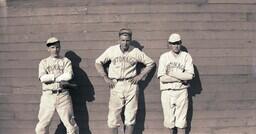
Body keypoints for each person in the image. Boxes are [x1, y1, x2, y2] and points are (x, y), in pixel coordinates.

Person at [95, 28, 155, 134]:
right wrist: (105, 76)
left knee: (130, 116)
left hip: (131, 84)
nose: (125, 43)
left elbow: (151, 63)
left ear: (130, 40)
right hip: (116, 84)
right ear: (119, 40)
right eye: (123, 40)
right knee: (113, 117)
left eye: (127, 40)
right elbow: (98, 62)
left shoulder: (135, 51)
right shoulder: (112, 50)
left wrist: (140, 76)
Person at [35, 37, 79, 134]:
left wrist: (50, 77)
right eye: (53, 47)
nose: (55, 50)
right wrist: (58, 77)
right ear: (48, 49)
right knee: (42, 126)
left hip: (63, 95)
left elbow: (68, 76)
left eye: (57, 47)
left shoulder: (65, 61)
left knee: (71, 125)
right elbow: (42, 78)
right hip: (48, 95)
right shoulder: (44, 62)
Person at [157, 33, 194, 134]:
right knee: (169, 122)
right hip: (167, 91)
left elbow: (190, 76)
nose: (176, 46)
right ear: (169, 44)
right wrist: (181, 78)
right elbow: (162, 78)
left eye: (177, 43)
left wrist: (172, 73)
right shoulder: (164, 57)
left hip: (181, 91)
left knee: (181, 122)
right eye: (173, 43)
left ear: (181, 43)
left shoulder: (186, 56)